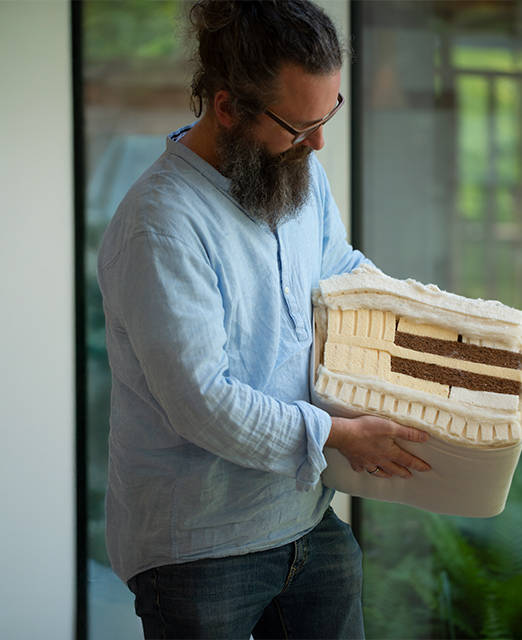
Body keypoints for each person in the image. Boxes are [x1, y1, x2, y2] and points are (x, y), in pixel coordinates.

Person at [96, 1, 431, 638]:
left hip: (305, 516)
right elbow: (203, 402)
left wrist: (436, 321)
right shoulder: (160, 225)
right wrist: (335, 434)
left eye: (328, 113)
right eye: (300, 123)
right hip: (199, 546)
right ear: (228, 108)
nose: (321, 141)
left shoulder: (296, 172)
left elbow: (342, 272)